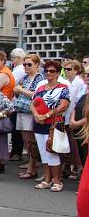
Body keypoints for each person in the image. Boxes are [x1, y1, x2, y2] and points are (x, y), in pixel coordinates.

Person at [32, 60, 70, 192]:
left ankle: (57, 180)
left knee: (52, 152)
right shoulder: (41, 87)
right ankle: (47, 179)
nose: (49, 73)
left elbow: (63, 106)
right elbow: (33, 103)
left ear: (58, 73)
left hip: (54, 125)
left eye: (52, 71)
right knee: (43, 153)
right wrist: (37, 115)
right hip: (39, 124)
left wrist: (46, 116)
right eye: (47, 71)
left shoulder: (63, 89)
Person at [13, 54, 44, 180]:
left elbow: (37, 95)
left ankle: (33, 167)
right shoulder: (25, 77)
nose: (26, 67)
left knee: (31, 141)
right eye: (24, 64)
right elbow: (18, 91)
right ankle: (31, 165)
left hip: (30, 112)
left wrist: (21, 90)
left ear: (37, 65)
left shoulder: (39, 79)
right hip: (21, 110)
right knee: (26, 141)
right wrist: (17, 90)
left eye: (29, 64)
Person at [65, 60, 87, 179]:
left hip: (81, 121)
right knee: (75, 145)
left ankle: (80, 169)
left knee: (79, 147)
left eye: (70, 69)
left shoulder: (79, 83)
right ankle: (77, 169)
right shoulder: (70, 83)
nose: (67, 72)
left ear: (76, 70)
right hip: (71, 118)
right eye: (66, 69)